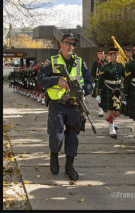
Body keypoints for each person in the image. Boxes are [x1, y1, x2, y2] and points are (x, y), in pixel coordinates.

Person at [38, 32, 92, 181]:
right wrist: (57, 80)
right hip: (57, 105)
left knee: (73, 136)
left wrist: (82, 94)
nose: (71, 46)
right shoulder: (51, 61)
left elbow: (88, 82)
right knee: (56, 135)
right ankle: (54, 156)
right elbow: (41, 80)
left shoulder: (80, 62)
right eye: (68, 43)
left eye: (73, 44)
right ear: (61, 44)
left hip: (74, 106)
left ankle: (69, 166)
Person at [96, 47, 125, 138]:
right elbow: (100, 81)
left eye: (117, 55)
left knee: (118, 110)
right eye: (115, 55)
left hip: (118, 89)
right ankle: (111, 129)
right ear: (110, 55)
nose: (116, 56)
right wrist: (98, 93)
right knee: (110, 109)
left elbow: (126, 77)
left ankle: (111, 120)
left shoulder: (121, 66)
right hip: (108, 89)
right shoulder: (105, 67)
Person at [91, 50, 107, 117]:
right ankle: (100, 110)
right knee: (98, 96)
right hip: (98, 81)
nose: (101, 55)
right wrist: (94, 82)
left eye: (102, 54)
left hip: (106, 82)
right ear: (97, 55)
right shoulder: (95, 63)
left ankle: (105, 108)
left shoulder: (106, 62)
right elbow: (92, 73)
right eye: (100, 54)